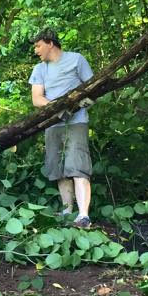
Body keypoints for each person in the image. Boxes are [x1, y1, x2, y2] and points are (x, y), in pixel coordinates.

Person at [29, 29, 93, 228]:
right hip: (52, 124)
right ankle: (67, 212)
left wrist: (80, 104)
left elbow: (93, 87)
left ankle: (83, 216)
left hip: (77, 122)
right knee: (58, 168)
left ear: (50, 43)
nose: (36, 50)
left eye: (38, 45)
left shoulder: (76, 59)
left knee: (78, 165)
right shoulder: (39, 69)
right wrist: (57, 109)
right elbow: (37, 99)